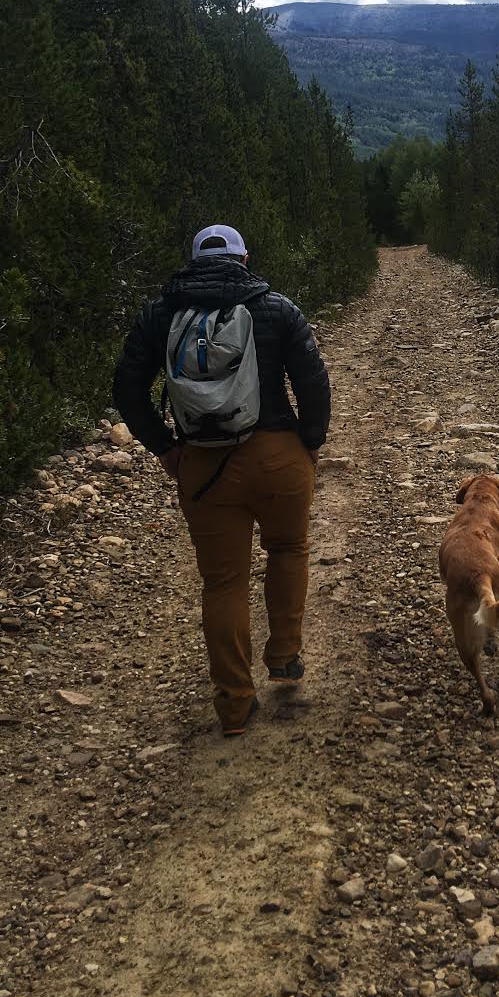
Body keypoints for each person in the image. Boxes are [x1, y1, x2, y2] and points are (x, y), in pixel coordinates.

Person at [112, 225, 331, 736]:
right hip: (278, 455)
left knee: (224, 581)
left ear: (191, 261)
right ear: (245, 259)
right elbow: (313, 382)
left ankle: (234, 703)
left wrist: (166, 448)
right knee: (288, 548)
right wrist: (311, 441)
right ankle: (284, 656)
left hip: (204, 466)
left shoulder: (161, 312)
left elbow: (126, 386)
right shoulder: (276, 307)